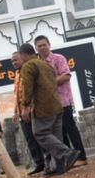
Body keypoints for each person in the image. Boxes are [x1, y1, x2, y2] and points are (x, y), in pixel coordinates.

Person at [18, 43, 80, 175]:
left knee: (40, 133)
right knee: (56, 137)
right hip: (57, 105)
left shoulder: (28, 66)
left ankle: (67, 153)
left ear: (23, 54)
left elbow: (27, 87)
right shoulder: (45, 64)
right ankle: (59, 166)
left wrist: (25, 106)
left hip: (42, 107)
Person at [34, 35, 88, 165]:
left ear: (49, 45)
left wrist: (47, 83)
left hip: (63, 101)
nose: (42, 48)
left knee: (70, 129)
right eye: (39, 46)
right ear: (36, 48)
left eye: (44, 45)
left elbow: (66, 76)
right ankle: (69, 159)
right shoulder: (37, 64)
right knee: (59, 133)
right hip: (50, 105)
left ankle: (82, 157)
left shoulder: (58, 58)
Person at [12, 51, 48, 175]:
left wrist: (28, 108)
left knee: (40, 136)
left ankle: (48, 163)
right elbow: (17, 95)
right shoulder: (17, 74)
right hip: (22, 112)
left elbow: (30, 92)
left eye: (16, 60)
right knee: (30, 139)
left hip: (33, 110)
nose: (14, 63)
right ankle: (39, 163)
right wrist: (16, 112)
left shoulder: (29, 71)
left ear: (22, 58)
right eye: (12, 61)